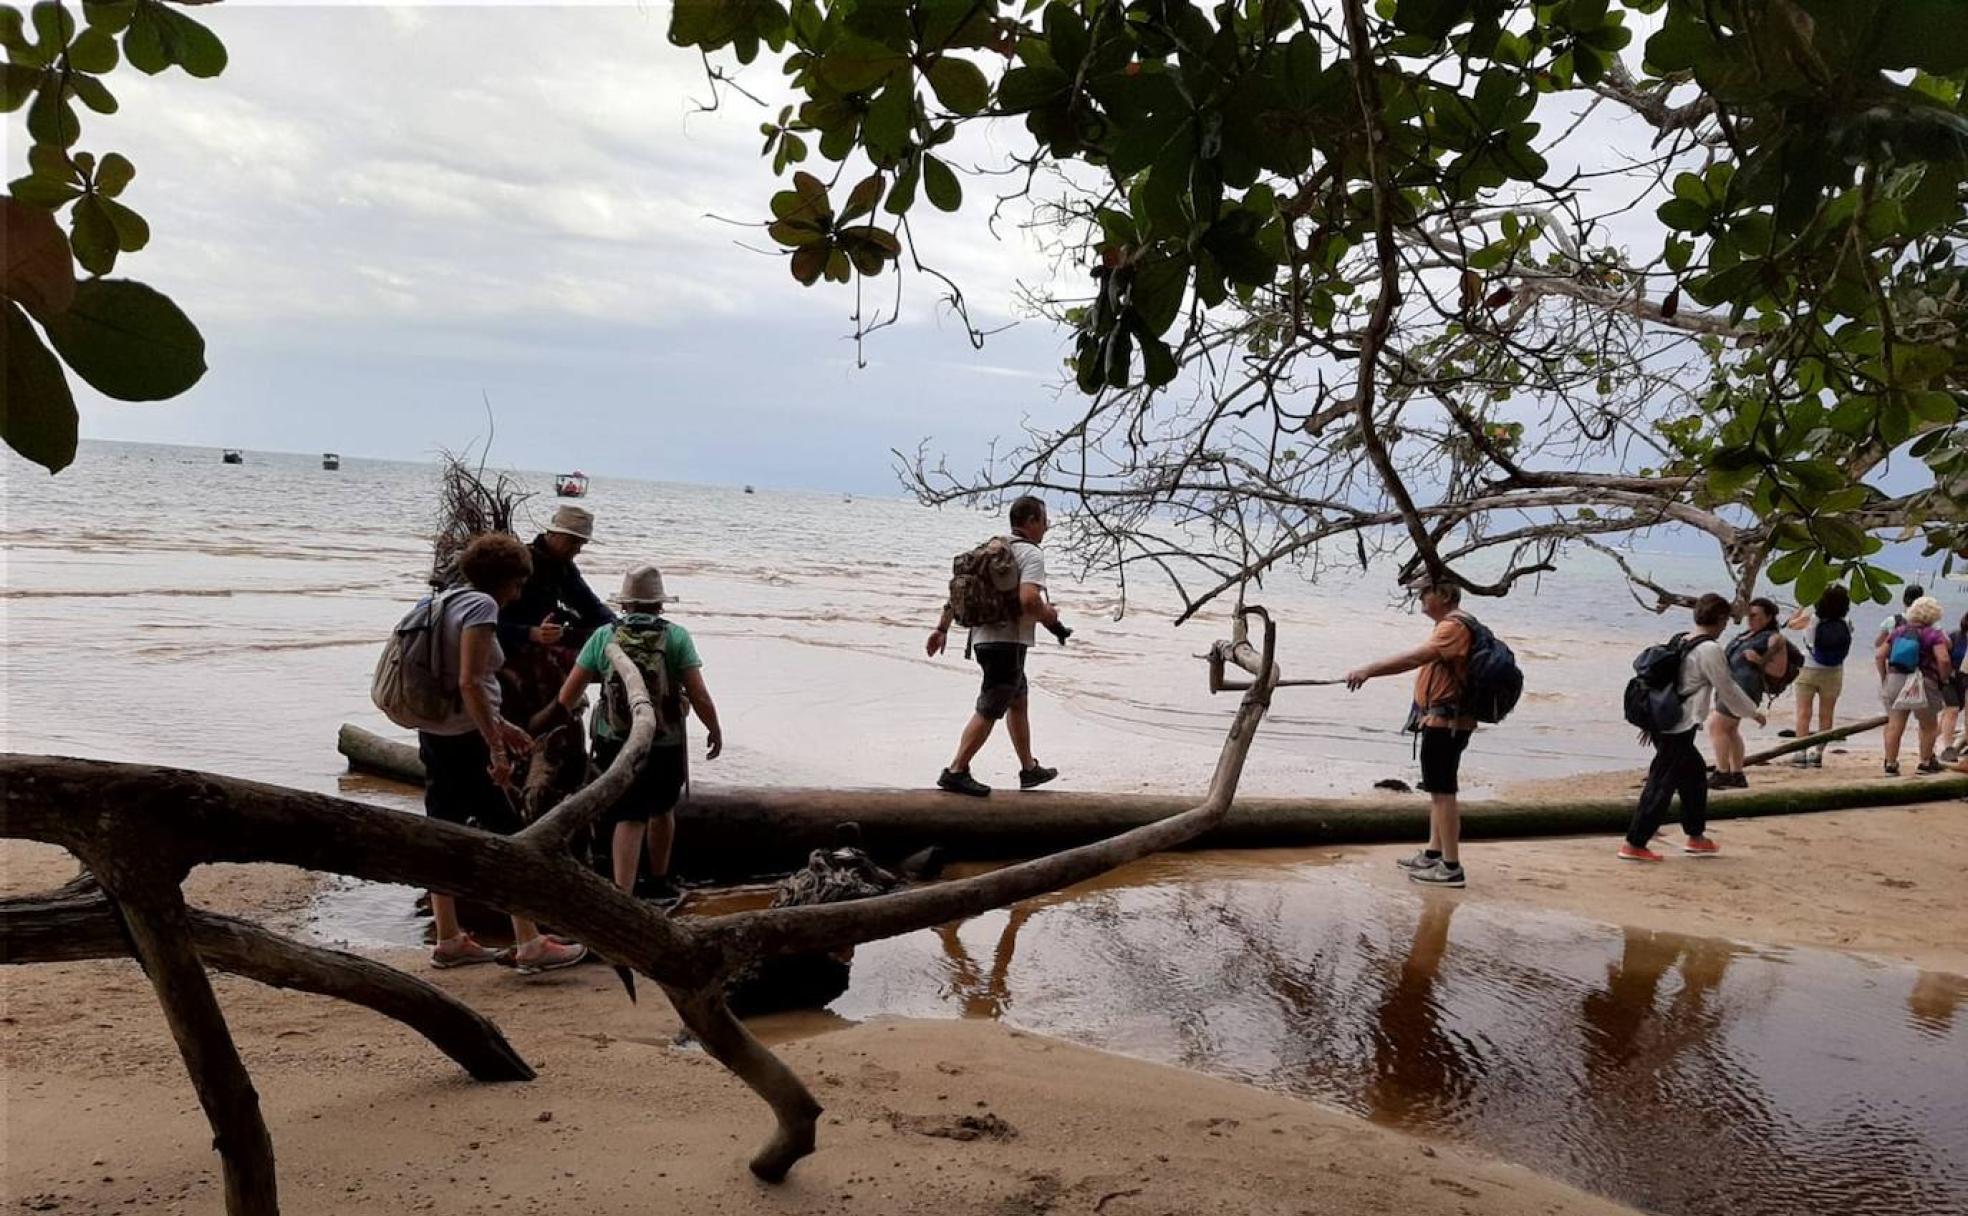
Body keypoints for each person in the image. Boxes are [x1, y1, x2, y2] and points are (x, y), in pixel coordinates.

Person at [420, 533, 588, 973]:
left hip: (435, 730)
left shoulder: (444, 599)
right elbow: (471, 682)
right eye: (517, 585)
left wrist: (502, 725)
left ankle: (448, 938)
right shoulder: (482, 606)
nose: (519, 594)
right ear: (506, 580)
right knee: (511, 835)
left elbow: (457, 680)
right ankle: (529, 943)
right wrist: (495, 747)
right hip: (465, 739)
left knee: (443, 829)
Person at [544, 565, 722, 902]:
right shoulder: (676, 636)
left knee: (628, 814)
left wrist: (549, 731)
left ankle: (622, 894)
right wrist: (714, 727)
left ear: (625, 604)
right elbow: (698, 694)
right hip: (664, 739)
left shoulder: (603, 636)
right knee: (661, 808)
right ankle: (658, 881)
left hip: (613, 739)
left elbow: (567, 696)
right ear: (660, 604)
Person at [1344, 576, 1477, 889]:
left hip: (1448, 723)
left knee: (1444, 793)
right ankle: (1433, 854)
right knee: (1438, 791)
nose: (1420, 603)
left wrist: (1368, 670)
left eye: (1424, 596)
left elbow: (1414, 658)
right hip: (1442, 719)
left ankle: (1451, 867)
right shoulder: (1455, 624)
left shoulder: (1453, 627)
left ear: (1443, 596)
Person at [927, 495, 1064, 797]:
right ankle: (956, 770)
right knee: (991, 706)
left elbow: (959, 594)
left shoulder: (992, 549)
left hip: (982, 638)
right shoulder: (1030, 554)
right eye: (1044, 520)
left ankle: (1029, 769)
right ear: (1030, 521)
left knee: (1018, 699)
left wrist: (941, 628)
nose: (1047, 527)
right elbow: (1028, 600)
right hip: (1007, 642)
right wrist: (1051, 618)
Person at [1622, 593, 1766, 863]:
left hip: (1663, 718)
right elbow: (1728, 688)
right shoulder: (1709, 649)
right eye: (1726, 621)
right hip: (1678, 723)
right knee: (1661, 783)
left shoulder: (1682, 638)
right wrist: (1753, 713)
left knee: (1695, 777)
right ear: (1721, 620)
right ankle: (1635, 842)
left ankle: (1696, 837)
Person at [497, 504, 617, 655]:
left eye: (581, 544)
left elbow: (590, 606)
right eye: (573, 542)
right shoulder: (518, 562)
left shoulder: (564, 567)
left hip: (549, 636)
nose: (578, 549)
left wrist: (615, 626)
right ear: (552, 534)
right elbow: (487, 620)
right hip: (512, 643)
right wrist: (530, 632)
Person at [1706, 597, 1784, 789]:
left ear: (1768, 617)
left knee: (1717, 726)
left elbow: (1779, 670)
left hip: (1745, 689)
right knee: (1730, 730)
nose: (1751, 619)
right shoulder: (1746, 634)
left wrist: (1758, 660)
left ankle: (1722, 772)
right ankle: (1737, 774)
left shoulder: (1773, 638)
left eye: (1756, 616)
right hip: (1729, 687)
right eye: (1749, 616)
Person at [1877, 595, 1953, 776]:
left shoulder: (1898, 631)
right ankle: (1925, 762)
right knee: (1928, 725)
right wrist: (1944, 679)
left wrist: (1885, 677)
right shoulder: (1933, 634)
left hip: (1896, 679)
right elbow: (1943, 659)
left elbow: (1880, 655)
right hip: (1923, 681)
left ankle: (1891, 763)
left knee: (1895, 724)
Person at [1783, 586, 1852, 768]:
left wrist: (1802, 605)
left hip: (1807, 669)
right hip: (1834, 671)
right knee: (1826, 715)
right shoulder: (1847, 621)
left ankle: (1800, 752)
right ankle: (1818, 754)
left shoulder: (1811, 619)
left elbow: (1790, 624)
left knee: (1803, 713)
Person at [1940, 610, 1968, 764]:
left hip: (1965, 682)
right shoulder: (1955, 637)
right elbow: (1942, 657)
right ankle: (1948, 748)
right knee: (1953, 709)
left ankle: (1929, 738)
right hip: (1948, 679)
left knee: (1948, 716)